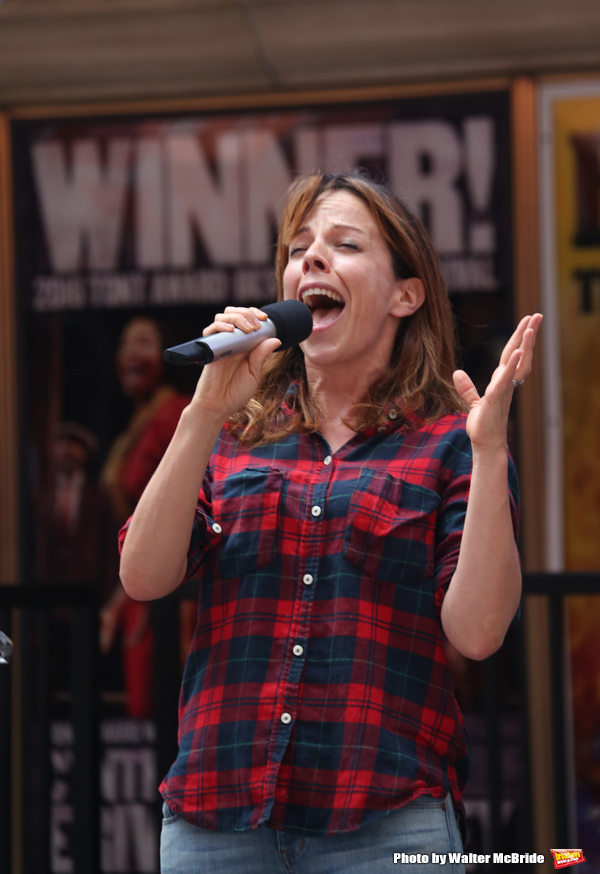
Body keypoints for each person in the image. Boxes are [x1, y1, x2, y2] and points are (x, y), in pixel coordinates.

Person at [119, 171, 542, 873]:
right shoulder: (236, 430)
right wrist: (204, 411)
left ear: (406, 295)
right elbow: (142, 577)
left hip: (384, 823)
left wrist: (492, 450)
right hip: (216, 821)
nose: (311, 257)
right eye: (298, 248)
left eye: (345, 245)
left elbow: (477, 633)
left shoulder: (451, 442)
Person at [101, 315, 190, 717]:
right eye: (125, 344)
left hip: (170, 594)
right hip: (140, 587)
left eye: (143, 343)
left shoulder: (176, 413)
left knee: (167, 712)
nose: (130, 353)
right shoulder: (136, 423)